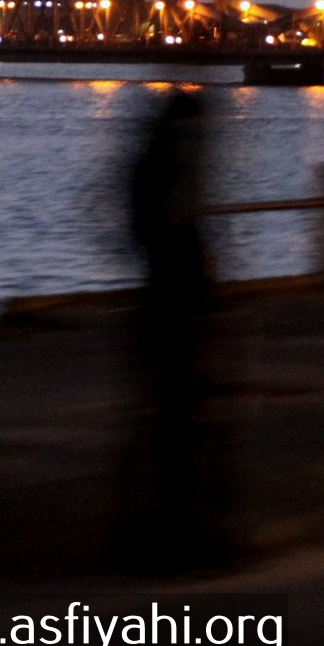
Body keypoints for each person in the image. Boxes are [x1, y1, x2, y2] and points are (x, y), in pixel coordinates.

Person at [118, 88, 229, 569]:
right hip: (175, 305)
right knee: (180, 421)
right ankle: (179, 534)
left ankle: (165, 530)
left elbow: (143, 231)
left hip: (164, 301)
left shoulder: (151, 167)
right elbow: (176, 234)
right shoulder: (171, 172)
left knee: (168, 420)